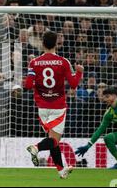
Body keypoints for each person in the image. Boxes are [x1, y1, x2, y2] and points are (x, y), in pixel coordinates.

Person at [24, 30, 84, 179]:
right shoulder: (63, 62)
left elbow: (27, 85)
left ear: (42, 43)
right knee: (54, 140)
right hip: (57, 107)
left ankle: (61, 171)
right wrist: (79, 72)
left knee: (53, 141)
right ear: (56, 43)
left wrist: (35, 77)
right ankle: (36, 147)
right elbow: (73, 84)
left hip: (42, 107)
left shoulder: (34, 62)